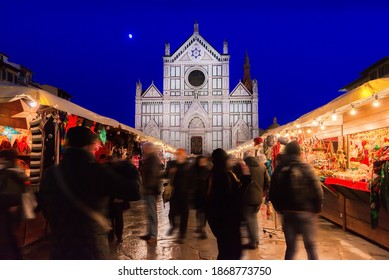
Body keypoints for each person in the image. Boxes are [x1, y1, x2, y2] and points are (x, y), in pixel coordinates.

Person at [39, 126, 139, 259]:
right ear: (90, 145)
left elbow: (44, 206)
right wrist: (126, 165)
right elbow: (134, 191)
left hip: (60, 246)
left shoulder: (50, 173)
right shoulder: (97, 171)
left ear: (67, 144)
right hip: (91, 248)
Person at [269, 140, 323, 260]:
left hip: (288, 213)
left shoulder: (279, 168)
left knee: (291, 248)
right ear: (299, 153)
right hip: (306, 212)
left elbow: (272, 191)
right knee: (311, 247)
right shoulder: (306, 167)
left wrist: (280, 209)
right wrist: (317, 209)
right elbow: (317, 189)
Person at [206, 149, 250, 260]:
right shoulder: (225, 176)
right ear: (223, 160)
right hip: (228, 222)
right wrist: (245, 180)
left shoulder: (212, 175)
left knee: (225, 251)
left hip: (218, 221)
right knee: (232, 253)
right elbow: (235, 198)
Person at [107, 154, 141, 244]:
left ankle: (117, 236)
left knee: (115, 218)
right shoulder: (124, 167)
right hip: (114, 198)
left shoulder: (122, 168)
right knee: (114, 218)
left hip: (117, 198)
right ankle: (115, 236)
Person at [0, 149, 27, 259]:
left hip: (5, 212)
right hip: (16, 212)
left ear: (3, 158)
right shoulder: (19, 171)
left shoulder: (3, 172)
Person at [242, 152, 271, 249]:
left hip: (248, 197)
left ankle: (253, 242)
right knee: (253, 218)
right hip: (259, 197)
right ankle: (256, 240)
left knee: (250, 219)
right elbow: (268, 182)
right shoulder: (262, 167)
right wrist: (264, 192)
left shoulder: (245, 168)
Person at [138, 142, 161, 246]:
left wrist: (148, 188)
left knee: (152, 214)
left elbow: (154, 175)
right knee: (149, 213)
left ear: (149, 148)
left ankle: (153, 236)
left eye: (145, 148)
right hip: (148, 190)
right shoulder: (149, 158)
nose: (143, 150)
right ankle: (150, 233)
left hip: (151, 190)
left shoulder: (153, 159)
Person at [167, 148, 190, 243]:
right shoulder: (172, 164)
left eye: (181, 154)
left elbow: (192, 179)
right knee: (172, 213)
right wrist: (169, 172)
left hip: (185, 194)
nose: (179, 156)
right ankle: (173, 225)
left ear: (184, 155)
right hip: (174, 193)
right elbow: (166, 174)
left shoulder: (188, 166)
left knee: (184, 216)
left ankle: (182, 235)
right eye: (178, 154)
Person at [190, 155, 210, 239]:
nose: (203, 162)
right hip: (198, 195)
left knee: (202, 213)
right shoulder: (194, 170)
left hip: (205, 195)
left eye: (204, 161)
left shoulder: (208, 170)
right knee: (199, 212)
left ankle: (202, 231)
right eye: (201, 161)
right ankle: (199, 228)